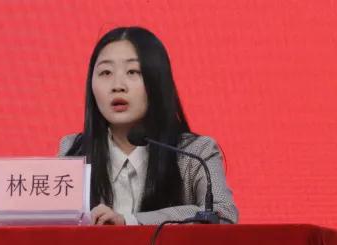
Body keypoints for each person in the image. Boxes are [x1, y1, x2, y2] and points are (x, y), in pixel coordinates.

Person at [58, 26, 238, 225]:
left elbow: (223, 214)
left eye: (133, 72)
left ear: (157, 80)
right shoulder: (74, 151)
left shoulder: (195, 153)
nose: (118, 86)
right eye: (106, 72)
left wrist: (131, 221)